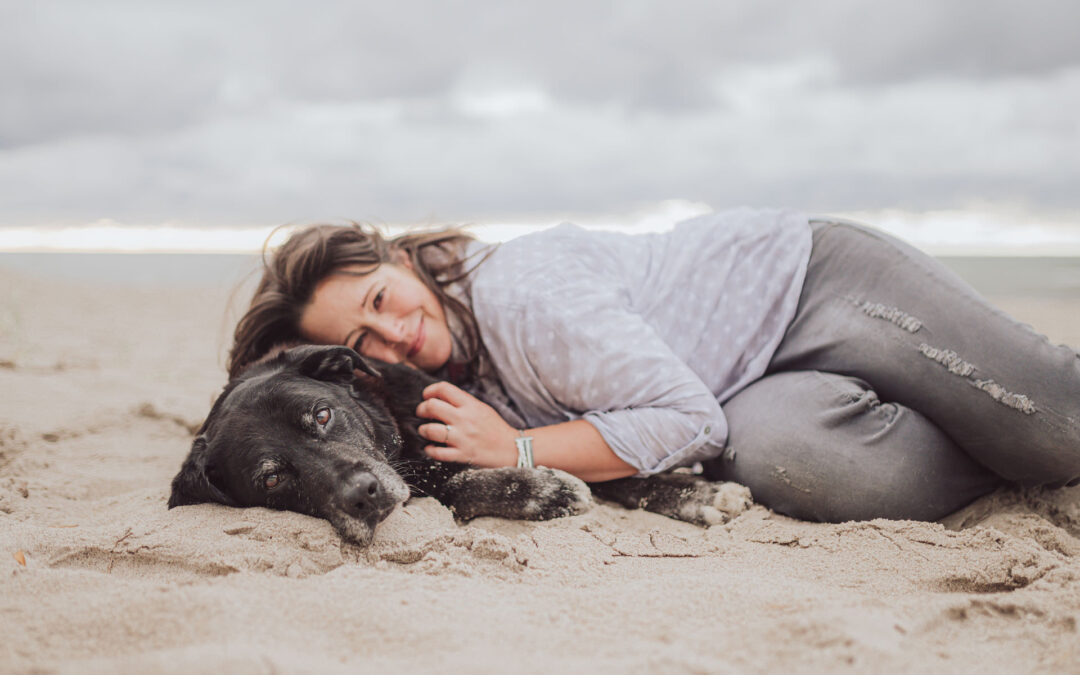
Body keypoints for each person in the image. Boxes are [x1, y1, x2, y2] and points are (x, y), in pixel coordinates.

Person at [228, 210, 1080, 522]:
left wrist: (520, 450)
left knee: (1058, 434)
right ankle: (980, 427)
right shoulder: (449, 363)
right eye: (363, 343)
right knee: (809, 467)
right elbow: (708, 417)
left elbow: (686, 422)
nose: (394, 339)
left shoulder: (526, 297)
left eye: (381, 298)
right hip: (744, 385)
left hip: (814, 285)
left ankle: (1010, 420)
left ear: (400, 258)